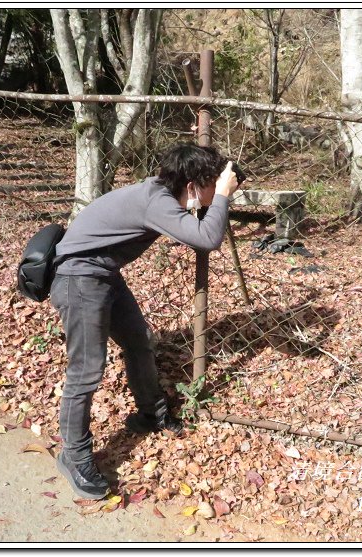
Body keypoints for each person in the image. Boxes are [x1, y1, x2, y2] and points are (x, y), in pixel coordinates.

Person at [50, 143, 240, 500]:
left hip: (102, 273)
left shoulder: (161, 192)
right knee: (87, 369)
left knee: (139, 342)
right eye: (215, 184)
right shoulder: (157, 201)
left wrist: (218, 195)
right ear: (195, 183)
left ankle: (151, 414)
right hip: (79, 277)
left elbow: (195, 226)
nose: (219, 191)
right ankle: (73, 456)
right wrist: (223, 198)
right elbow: (208, 237)